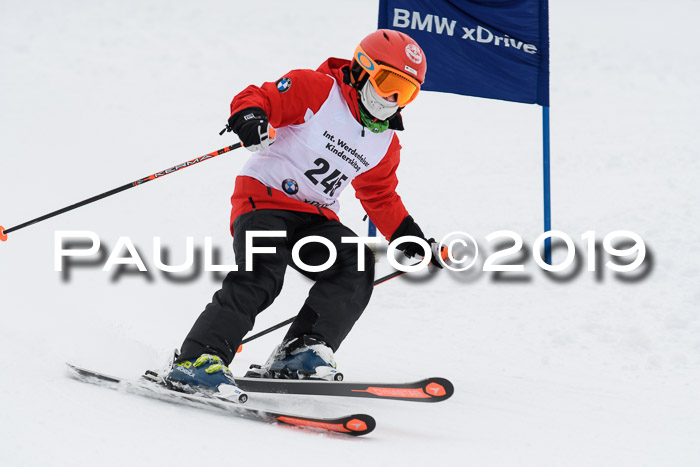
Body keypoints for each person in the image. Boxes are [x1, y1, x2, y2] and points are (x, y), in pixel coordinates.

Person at [166, 29, 443, 397]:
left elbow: (380, 195)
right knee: (262, 274)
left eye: (406, 91)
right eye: (389, 82)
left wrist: (411, 239)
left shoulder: (385, 143)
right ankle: (196, 360)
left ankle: (301, 351)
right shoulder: (316, 90)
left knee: (356, 262)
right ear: (363, 68)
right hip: (264, 200)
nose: (393, 99)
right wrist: (251, 118)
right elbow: (258, 97)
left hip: (315, 219)